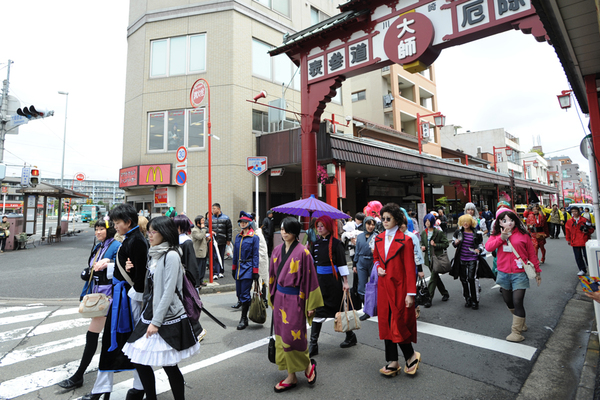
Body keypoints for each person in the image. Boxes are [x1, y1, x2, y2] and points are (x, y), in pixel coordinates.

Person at [122, 217, 200, 400]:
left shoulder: (171, 255)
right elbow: (150, 286)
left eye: (153, 231)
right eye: (148, 231)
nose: (149, 235)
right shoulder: (154, 253)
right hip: (151, 311)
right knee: (139, 358)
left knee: (169, 365)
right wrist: (131, 270)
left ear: (164, 233)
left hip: (167, 314)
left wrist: (156, 322)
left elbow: (168, 291)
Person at [83, 204, 148, 400]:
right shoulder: (131, 239)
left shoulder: (136, 241)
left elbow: (141, 277)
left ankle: (114, 389)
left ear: (128, 222)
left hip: (127, 302)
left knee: (127, 344)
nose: (115, 226)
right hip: (123, 299)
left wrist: (133, 303)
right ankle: (126, 387)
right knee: (127, 345)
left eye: (117, 222)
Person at [57, 219, 121, 390]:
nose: (98, 232)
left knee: (93, 336)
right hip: (97, 295)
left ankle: (79, 375)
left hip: (109, 298)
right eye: (96, 229)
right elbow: (92, 268)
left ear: (109, 230)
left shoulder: (116, 245)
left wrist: (108, 265)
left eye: (102, 229)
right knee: (107, 336)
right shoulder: (98, 246)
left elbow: (120, 269)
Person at [269, 217, 323, 393]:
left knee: (294, 337)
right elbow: (271, 275)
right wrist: (271, 294)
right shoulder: (277, 250)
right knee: (282, 337)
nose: (284, 232)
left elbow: (310, 279)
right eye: (282, 229)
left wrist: (311, 304)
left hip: (295, 299)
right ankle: (292, 376)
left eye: (288, 229)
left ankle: (306, 364)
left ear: (295, 232)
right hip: (279, 297)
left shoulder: (303, 252)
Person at [373, 203, 421, 377]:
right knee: (386, 323)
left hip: (400, 288)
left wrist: (410, 294)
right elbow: (376, 258)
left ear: (397, 219)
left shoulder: (406, 240)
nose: (384, 221)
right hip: (384, 286)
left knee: (398, 322)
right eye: (383, 218)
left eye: (388, 218)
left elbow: (410, 268)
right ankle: (393, 360)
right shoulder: (378, 238)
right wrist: (378, 266)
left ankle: (410, 355)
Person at [485, 209, 541, 342]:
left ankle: (516, 332)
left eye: (511, 220)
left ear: (515, 221)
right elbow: (488, 247)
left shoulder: (523, 235)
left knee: (517, 301)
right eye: (504, 220)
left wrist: (537, 272)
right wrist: (501, 238)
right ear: (499, 222)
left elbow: (532, 254)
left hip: (519, 274)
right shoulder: (497, 235)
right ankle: (520, 322)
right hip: (503, 273)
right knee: (508, 301)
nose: (508, 223)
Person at [309, 215, 355, 356]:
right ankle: (313, 344)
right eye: (318, 226)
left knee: (339, 311)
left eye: (322, 225)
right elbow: (312, 264)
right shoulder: (314, 243)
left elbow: (341, 263)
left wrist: (345, 282)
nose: (319, 228)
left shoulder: (336, 243)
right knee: (318, 311)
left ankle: (350, 336)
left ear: (328, 227)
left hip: (333, 283)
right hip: (318, 282)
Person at [450, 215, 495, 310]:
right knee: (463, 279)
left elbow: (481, 246)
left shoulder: (477, 233)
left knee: (472, 278)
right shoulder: (458, 232)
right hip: (461, 258)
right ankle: (467, 299)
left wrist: (478, 249)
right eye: (463, 222)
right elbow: (453, 244)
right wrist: (456, 243)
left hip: (473, 258)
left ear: (471, 222)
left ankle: (475, 300)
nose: (465, 224)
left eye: (467, 221)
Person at [232, 211, 260, 330]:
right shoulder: (238, 237)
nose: (242, 224)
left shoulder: (254, 237)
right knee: (239, 293)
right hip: (239, 268)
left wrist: (255, 271)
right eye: (241, 222)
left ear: (249, 223)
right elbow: (234, 254)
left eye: (245, 222)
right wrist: (233, 268)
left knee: (244, 294)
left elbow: (255, 255)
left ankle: (243, 318)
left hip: (248, 268)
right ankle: (244, 317)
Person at [420, 213, 450, 307]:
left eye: (428, 221)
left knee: (433, 278)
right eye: (426, 221)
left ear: (432, 221)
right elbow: (422, 243)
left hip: (437, 259)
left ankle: (428, 298)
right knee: (436, 277)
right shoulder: (423, 233)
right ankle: (445, 293)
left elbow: (446, 244)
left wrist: (436, 245)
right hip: (428, 260)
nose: (427, 223)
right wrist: (422, 247)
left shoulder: (438, 232)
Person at [353, 216, 377, 321]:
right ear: (364, 224)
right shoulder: (360, 236)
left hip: (373, 262)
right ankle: (366, 310)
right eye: (368, 224)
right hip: (361, 262)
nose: (370, 226)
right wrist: (354, 264)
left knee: (373, 286)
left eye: (372, 224)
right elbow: (357, 251)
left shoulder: (377, 236)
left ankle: (375, 307)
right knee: (361, 286)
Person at [566, 206, 595, 276]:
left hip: (585, 240)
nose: (574, 213)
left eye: (575, 211)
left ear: (578, 212)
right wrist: (568, 239)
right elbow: (567, 231)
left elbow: (592, 229)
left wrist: (587, 232)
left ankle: (592, 269)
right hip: (574, 240)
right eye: (572, 211)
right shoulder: (569, 221)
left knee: (587, 256)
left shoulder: (585, 220)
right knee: (578, 256)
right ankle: (582, 269)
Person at [211, 203, 232, 280]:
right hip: (213, 241)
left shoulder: (226, 218)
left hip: (222, 240)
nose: (213, 210)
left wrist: (228, 239)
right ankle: (215, 272)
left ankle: (220, 271)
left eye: (214, 208)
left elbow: (229, 230)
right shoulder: (210, 218)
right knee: (214, 257)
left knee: (221, 256)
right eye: (212, 208)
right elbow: (207, 227)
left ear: (219, 209)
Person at [191, 215, 209, 286]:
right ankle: (197, 282)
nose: (204, 221)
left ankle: (201, 280)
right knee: (198, 268)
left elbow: (203, 239)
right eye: (202, 220)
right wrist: (204, 229)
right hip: (198, 252)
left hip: (204, 251)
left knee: (203, 267)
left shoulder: (201, 230)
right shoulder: (195, 230)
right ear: (198, 222)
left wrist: (207, 239)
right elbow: (200, 237)